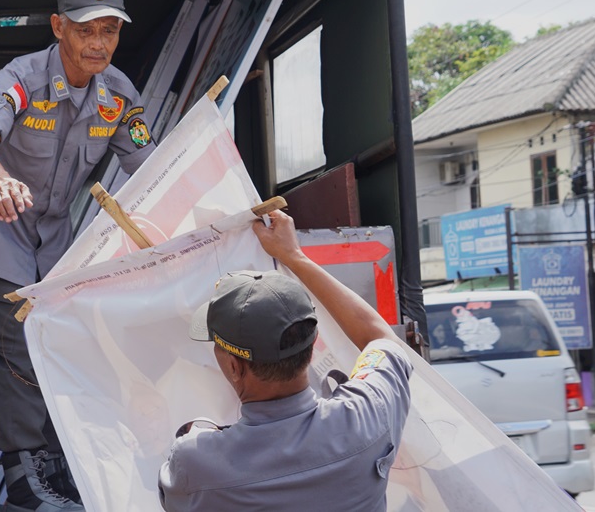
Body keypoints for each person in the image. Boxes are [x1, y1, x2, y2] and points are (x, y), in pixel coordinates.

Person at [0, 0, 156, 511]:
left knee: (67, 343)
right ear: (58, 26)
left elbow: (151, 167)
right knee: (16, 346)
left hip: (55, 245)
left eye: (110, 31)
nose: (98, 43)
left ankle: (63, 462)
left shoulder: (118, 95)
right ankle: (25, 479)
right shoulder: (22, 78)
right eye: (87, 30)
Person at [158, 209, 413, 511]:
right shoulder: (368, 415)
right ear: (312, 344)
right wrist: (294, 257)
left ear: (235, 367)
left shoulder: (195, 462)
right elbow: (381, 339)